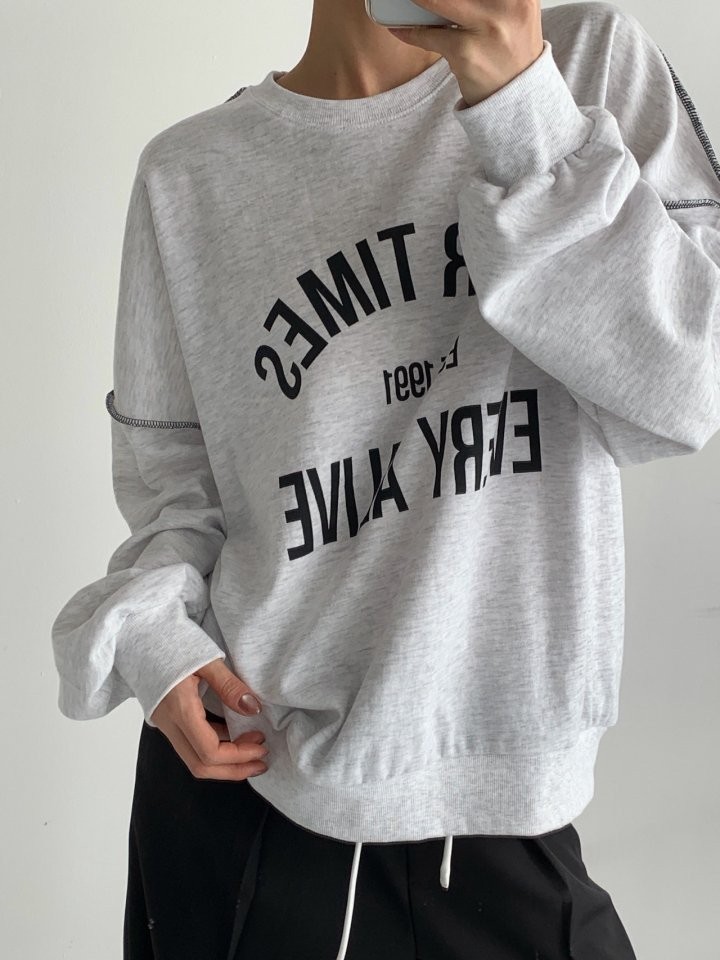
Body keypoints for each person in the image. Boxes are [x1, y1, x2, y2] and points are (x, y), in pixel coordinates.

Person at [51, 0, 720, 957]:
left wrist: (521, 109)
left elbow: (686, 393)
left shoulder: (586, 64)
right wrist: (158, 641)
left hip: (509, 831)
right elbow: (172, 490)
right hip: (252, 811)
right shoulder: (189, 174)